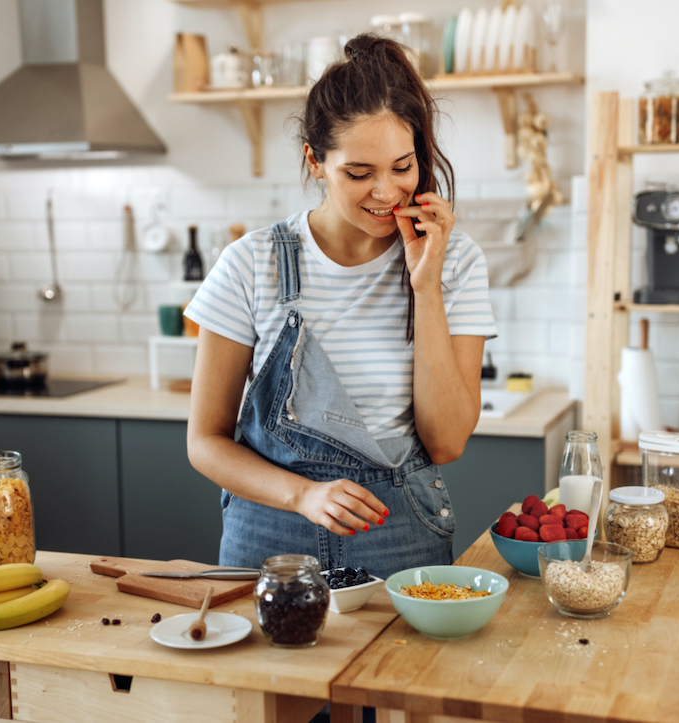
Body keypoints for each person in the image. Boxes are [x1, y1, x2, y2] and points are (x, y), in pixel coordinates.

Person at [184, 34, 497, 580]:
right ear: (315, 162)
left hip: (400, 532)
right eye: (359, 173)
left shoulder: (457, 262)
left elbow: (446, 442)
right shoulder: (250, 263)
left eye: (404, 166)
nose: (387, 192)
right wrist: (302, 494)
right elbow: (205, 442)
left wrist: (426, 287)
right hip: (269, 532)